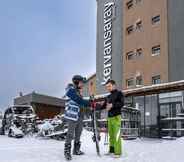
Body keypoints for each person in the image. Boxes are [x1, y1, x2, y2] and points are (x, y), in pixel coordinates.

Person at [93, 79, 124, 158]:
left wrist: (112, 105)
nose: (108, 88)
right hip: (110, 118)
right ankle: (112, 150)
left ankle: (118, 152)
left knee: (116, 135)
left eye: (109, 86)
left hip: (117, 117)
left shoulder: (119, 93)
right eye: (107, 87)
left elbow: (122, 103)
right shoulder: (108, 97)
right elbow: (102, 106)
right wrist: (94, 106)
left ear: (114, 85)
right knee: (111, 135)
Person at [64, 75, 91, 161]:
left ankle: (76, 150)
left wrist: (89, 107)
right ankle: (67, 152)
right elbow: (79, 101)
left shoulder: (79, 92)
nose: (83, 84)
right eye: (81, 82)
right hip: (72, 116)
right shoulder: (70, 91)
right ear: (76, 82)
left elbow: (81, 104)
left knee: (78, 133)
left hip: (79, 116)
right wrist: (89, 103)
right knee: (70, 134)